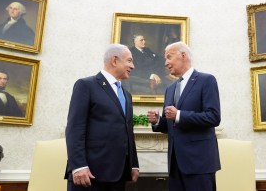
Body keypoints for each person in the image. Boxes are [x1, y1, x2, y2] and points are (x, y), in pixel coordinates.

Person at [147, 42, 221, 191]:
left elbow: (213, 117)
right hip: (175, 164)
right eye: (164, 59)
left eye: (169, 57)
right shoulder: (169, 89)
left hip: (199, 163)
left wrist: (179, 114)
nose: (166, 63)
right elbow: (171, 124)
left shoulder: (206, 80)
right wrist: (157, 121)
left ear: (183, 55)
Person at [65, 44, 139, 191]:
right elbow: (75, 128)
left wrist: (133, 163)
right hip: (90, 173)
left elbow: (128, 131)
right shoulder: (86, 85)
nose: (133, 66)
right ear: (115, 60)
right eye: (129, 61)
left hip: (119, 174)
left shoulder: (126, 94)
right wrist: (79, 165)